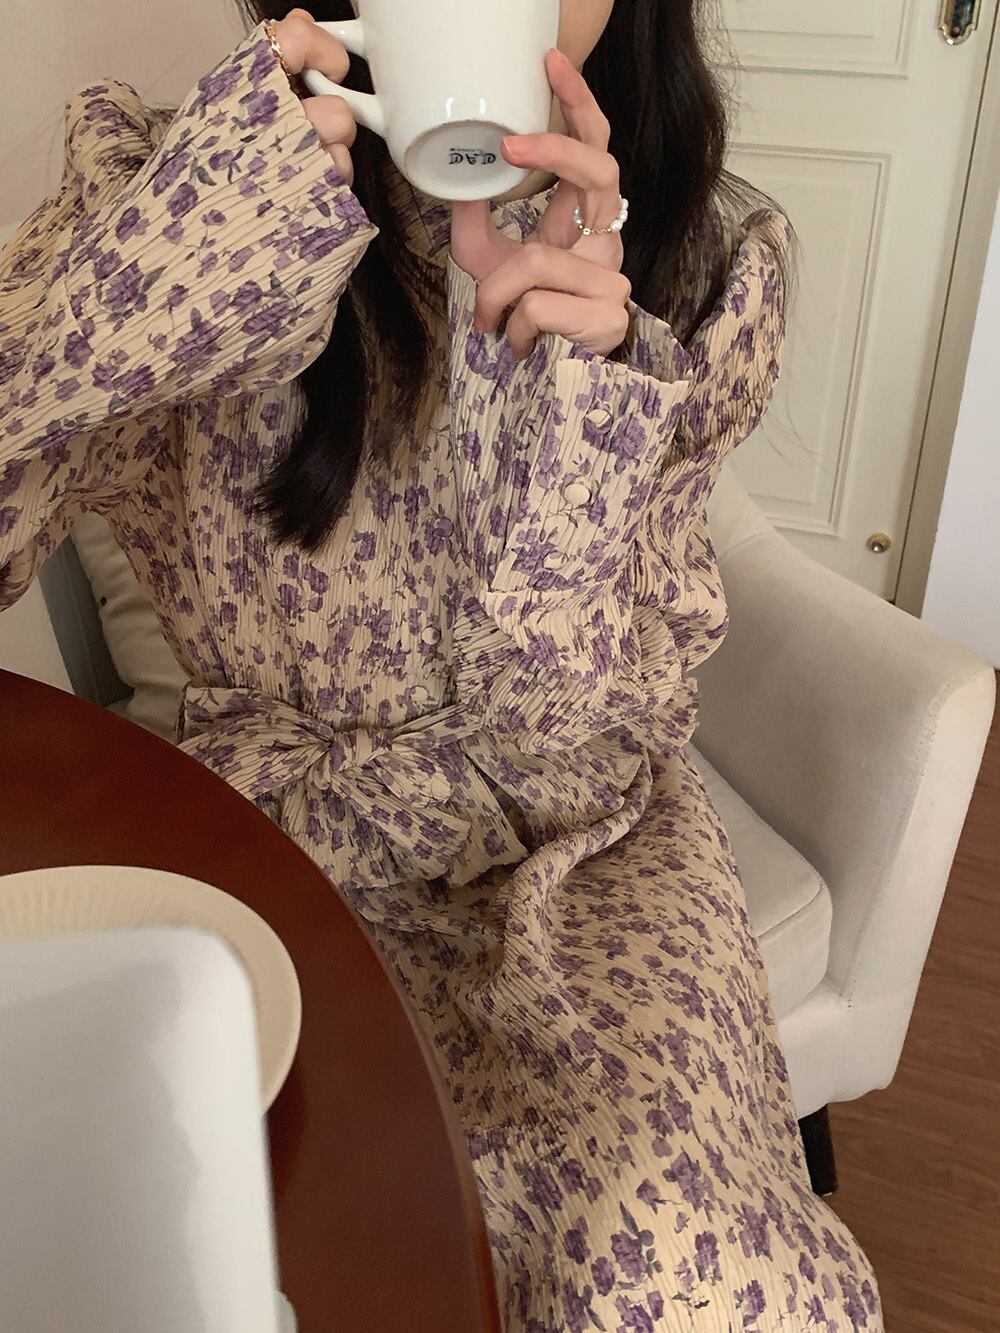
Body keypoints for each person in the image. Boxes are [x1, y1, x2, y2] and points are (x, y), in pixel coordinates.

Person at [0, 3, 883, 1328]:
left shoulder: (703, 265)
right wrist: (154, 282)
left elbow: (567, 714)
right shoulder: (176, 184)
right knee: (232, 1257)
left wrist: (579, 403)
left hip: (584, 847)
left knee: (678, 1261)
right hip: (275, 843)